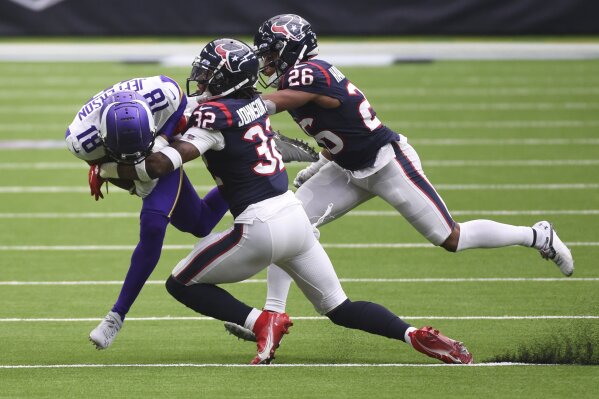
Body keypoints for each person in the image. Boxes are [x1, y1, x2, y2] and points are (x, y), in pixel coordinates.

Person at [91, 38, 473, 365]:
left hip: (259, 226)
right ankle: (414, 335)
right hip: (294, 217)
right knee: (340, 307)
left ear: (223, 79)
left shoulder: (212, 117)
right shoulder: (254, 104)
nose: (201, 79)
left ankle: (260, 321)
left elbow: (160, 165)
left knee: (180, 284)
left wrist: (107, 170)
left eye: (208, 74)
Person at [222, 13, 575, 342]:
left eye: (270, 53)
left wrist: (229, 109)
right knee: (292, 225)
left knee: (451, 237)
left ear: (290, 49)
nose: (265, 62)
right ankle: (271, 318)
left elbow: (275, 103)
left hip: (387, 163)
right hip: (347, 167)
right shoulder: (298, 77)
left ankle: (536, 235)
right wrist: (323, 160)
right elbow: (341, 127)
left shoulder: (309, 73)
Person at [66, 77, 230, 349]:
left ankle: (116, 316)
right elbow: (102, 165)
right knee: (200, 223)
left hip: (168, 127)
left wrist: (162, 139)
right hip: (130, 147)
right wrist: (124, 180)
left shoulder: (164, 94)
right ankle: (247, 170)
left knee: (154, 224)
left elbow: (177, 102)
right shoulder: (82, 139)